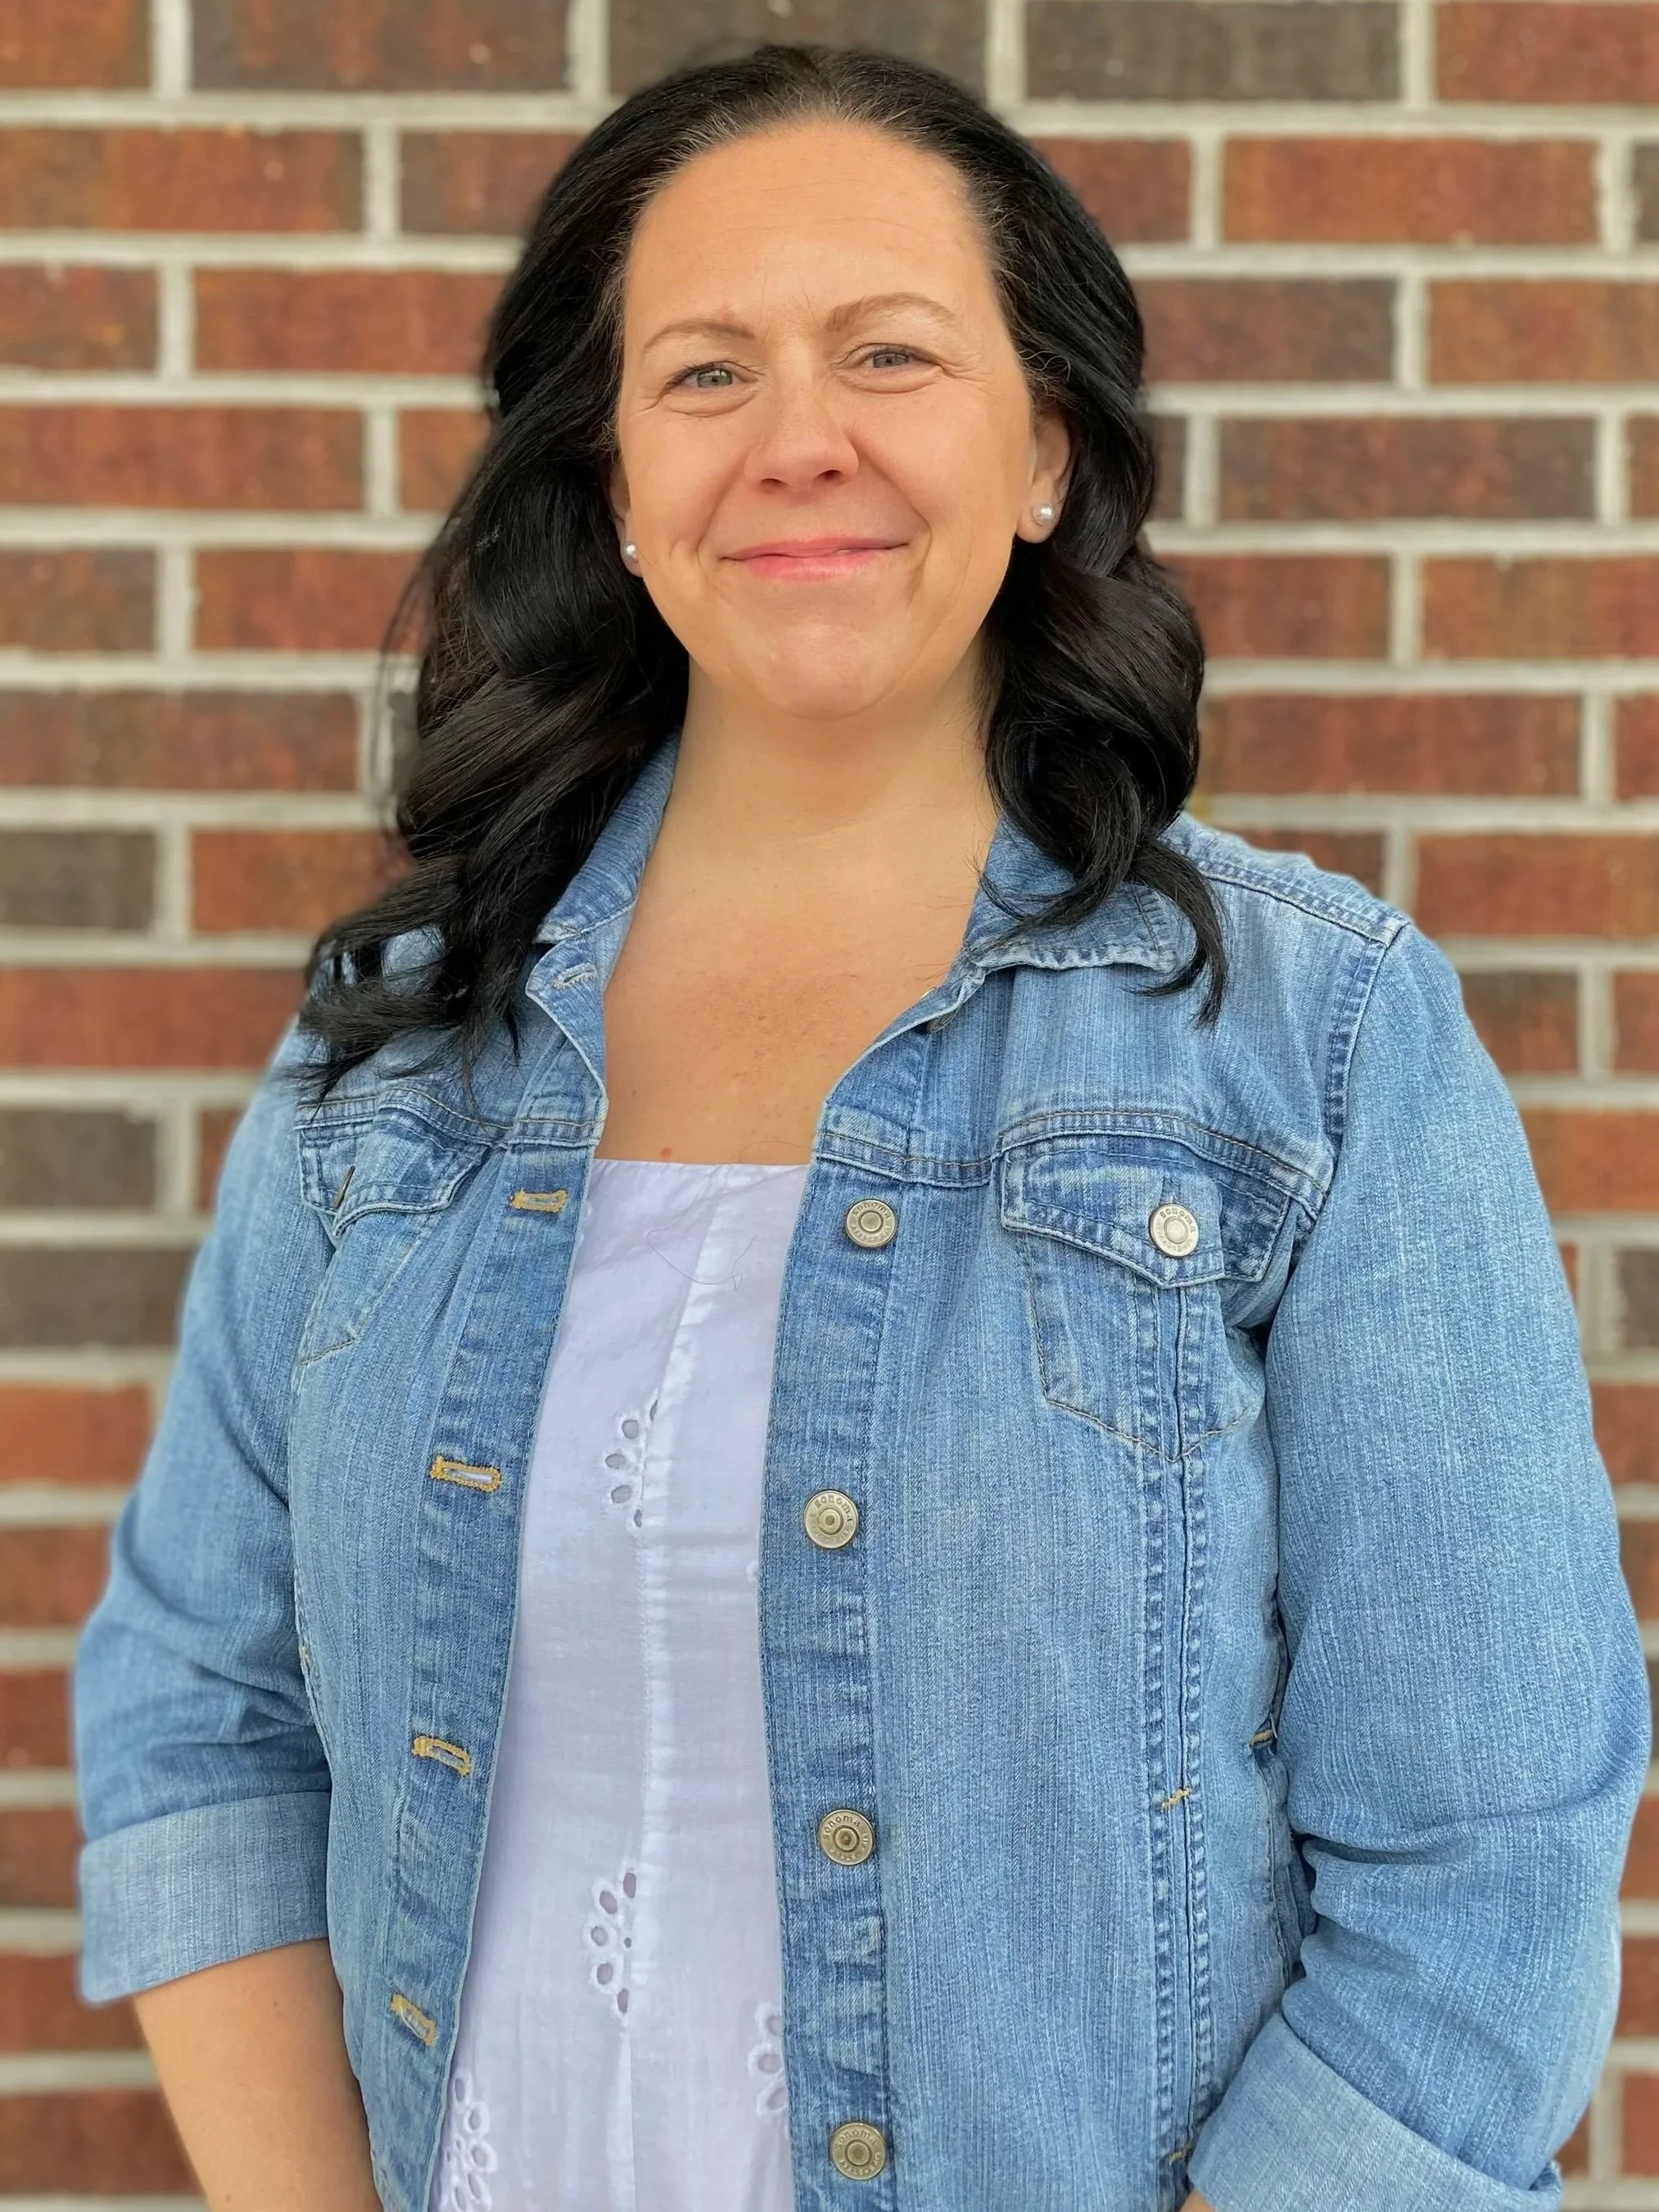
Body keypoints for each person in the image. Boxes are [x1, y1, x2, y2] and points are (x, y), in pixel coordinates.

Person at [72, 41, 1647, 2212]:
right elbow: (192, 1702)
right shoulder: (398, 1049)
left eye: (887, 353)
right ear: (616, 485)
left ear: (1041, 452)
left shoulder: (1312, 1044)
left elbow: (1486, 1863)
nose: (799, 439)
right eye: (704, 373)